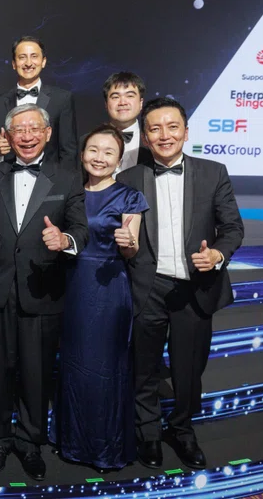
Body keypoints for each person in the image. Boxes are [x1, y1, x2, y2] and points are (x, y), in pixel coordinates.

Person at [117, 98, 244, 470]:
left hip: (195, 287)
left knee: (188, 371)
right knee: (144, 368)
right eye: (154, 128)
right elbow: (122, 237)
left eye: (172, 127)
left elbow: (233, 228)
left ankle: (182, 429)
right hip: (147, 287)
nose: (164, 135)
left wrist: (217, 255)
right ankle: (149, 433)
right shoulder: (129, 179)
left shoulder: (213, 172)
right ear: (144, 136)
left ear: (186, 132)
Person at [0, 103, 88, 481]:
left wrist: (66, 239)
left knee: (37, 374)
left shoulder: (68, 177)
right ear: (7, 137)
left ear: (48, 133)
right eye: (18, 130)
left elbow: (81, 228)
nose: (26, 136)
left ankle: (30, 441)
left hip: (43, 292)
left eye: (33, 128)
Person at [55, 124, 148, 473]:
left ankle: (105, 448)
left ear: (119, 159)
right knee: (74, 366)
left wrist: (129, 241)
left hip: (109, 289)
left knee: (106, 370)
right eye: (93, 150)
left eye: (108, 152)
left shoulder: (129, 197)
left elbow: (131, 248)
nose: (100, 157)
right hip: (73, 286)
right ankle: (72, 442)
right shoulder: (70, 192)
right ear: (82, 155)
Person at [0, 36, 78, 167]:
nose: (28, 63)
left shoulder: (61, 99)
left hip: (50, 181)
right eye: (22, 57)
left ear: (43, 61)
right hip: (9, 180)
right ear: (14, 64)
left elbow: (69, 151)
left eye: (34, 56)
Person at [102, 71, 149, 173]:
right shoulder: (86, 142)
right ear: (106, 104)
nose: (123, 102)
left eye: (130, 96)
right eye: (115, 97)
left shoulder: (152, 142)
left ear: (141, 103)